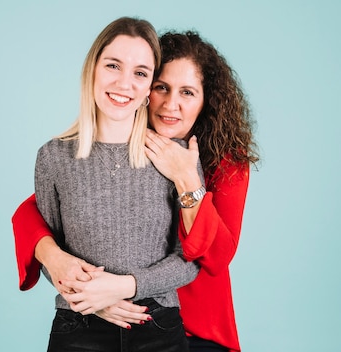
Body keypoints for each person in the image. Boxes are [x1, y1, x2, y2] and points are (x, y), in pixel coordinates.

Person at [13, 30, 259, 352]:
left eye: (187, 92)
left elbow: (216, 256)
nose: (171, 104)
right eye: (162, 87)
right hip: (107, 313)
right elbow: (36, 212)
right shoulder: (113, 145)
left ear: (206, 102)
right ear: (147, 90)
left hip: (193, 323)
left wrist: (187, 179)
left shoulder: (227, 163)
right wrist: (56, 258)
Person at [30, 17, 200, 352]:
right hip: (79, 326)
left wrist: (125, 286)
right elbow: (51, 255)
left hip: (157, 325)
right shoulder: (53, 157)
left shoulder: (175, 156)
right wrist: (90, 296)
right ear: (92, 68)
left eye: (140, 73)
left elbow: (192, 258)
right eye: (113, 65)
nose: (125, 83)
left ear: (150, 86)